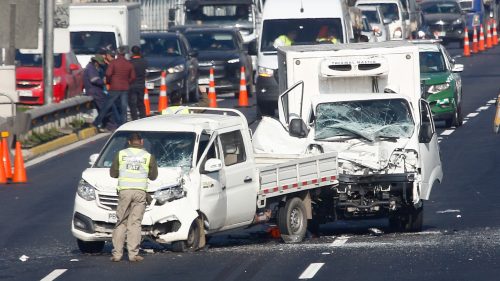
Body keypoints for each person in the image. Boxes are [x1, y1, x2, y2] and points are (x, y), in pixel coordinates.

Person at [110, 132, 158, 262]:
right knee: (135, 223)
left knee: (121, 223)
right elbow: (153, 176)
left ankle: (117, 254)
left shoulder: (121, 154)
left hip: (125, 192)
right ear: (141, 142)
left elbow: (113, 173)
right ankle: (133, 254)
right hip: (140, 192)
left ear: (129, 142)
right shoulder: (148, 156)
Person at [103, 46, 136, 126]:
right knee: (123, 106)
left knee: (111, 105)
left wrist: (109, 81)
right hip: (124, 88)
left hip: (114, 87)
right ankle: (123, 123)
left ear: (117, 54)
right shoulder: (128, 63)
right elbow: (133, 77)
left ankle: (115, 122)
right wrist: (127, 82)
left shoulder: (114, 63)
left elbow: (108, 74)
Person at [84, 55, 109, 132]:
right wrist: (103, 82)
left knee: (102, 108)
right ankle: (100, 124)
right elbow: (94, 80)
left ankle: (102, 124)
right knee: (104, 108)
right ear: (95, 62)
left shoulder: (91, 67)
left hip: (95, 90)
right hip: (94, 91)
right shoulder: (91, 69)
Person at [128, 46, 148, 120]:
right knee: (141, 103)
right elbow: (146, 72)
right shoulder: (144, 61)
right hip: (141, 84)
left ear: (132, 52)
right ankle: (143, 117)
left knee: (132, 103)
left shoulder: (130, 62)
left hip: (132, 85)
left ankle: (135, 118)